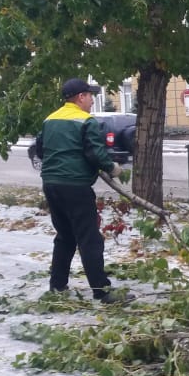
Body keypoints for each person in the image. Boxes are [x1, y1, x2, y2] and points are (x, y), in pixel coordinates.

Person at [40, 78, 130, 304]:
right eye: (90, 96)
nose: (92, 101)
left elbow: (41, 150)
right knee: (90, 239)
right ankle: (102, 291)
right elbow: (94, 153)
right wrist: (112, 168)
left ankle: (57, 286)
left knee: (65, 237)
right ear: (81, 97)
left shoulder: (50, 119)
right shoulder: (85, 121)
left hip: (51, 184)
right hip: (75, 186)